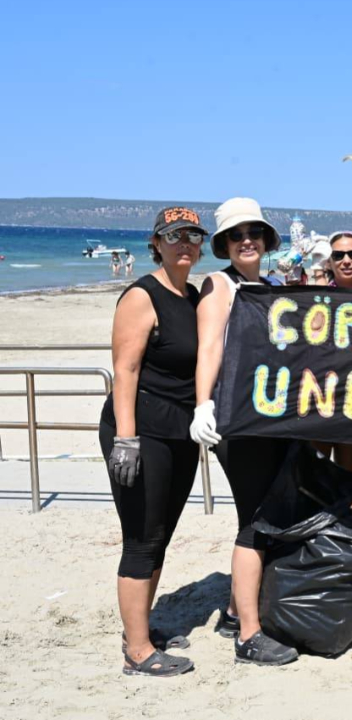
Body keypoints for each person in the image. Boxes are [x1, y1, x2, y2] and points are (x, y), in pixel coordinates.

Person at [188, 197, 298, 666]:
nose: (246, 240)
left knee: (272, 513)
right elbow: (209, 346)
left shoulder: (274, 285)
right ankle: (248, 637)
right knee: (254, 519)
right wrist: (203, 404)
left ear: (266, 240)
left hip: (275, 418)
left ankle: (237, 610)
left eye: (253, 232)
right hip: (237, 419)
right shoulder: (219, 284)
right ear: (225, 244)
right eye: (236, 235)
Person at [102, 207, 206, 677]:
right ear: (156, 243)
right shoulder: (142, 295)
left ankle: (140, 628)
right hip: (140, 430)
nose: (184, 244)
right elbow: (124, 370)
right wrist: (126, 437)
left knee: (160, 537)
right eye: (174, 236)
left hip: (180, 432)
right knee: (141, 539)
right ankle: (137, 651)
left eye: (192, 237)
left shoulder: (192, 295)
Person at [312, 231, 352, 504]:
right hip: (319, 401)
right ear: (329, 261)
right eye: (339, 255)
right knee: (317, 479)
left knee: (349, 481)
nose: (347, 260)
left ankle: (349, 542)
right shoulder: (314, 297)